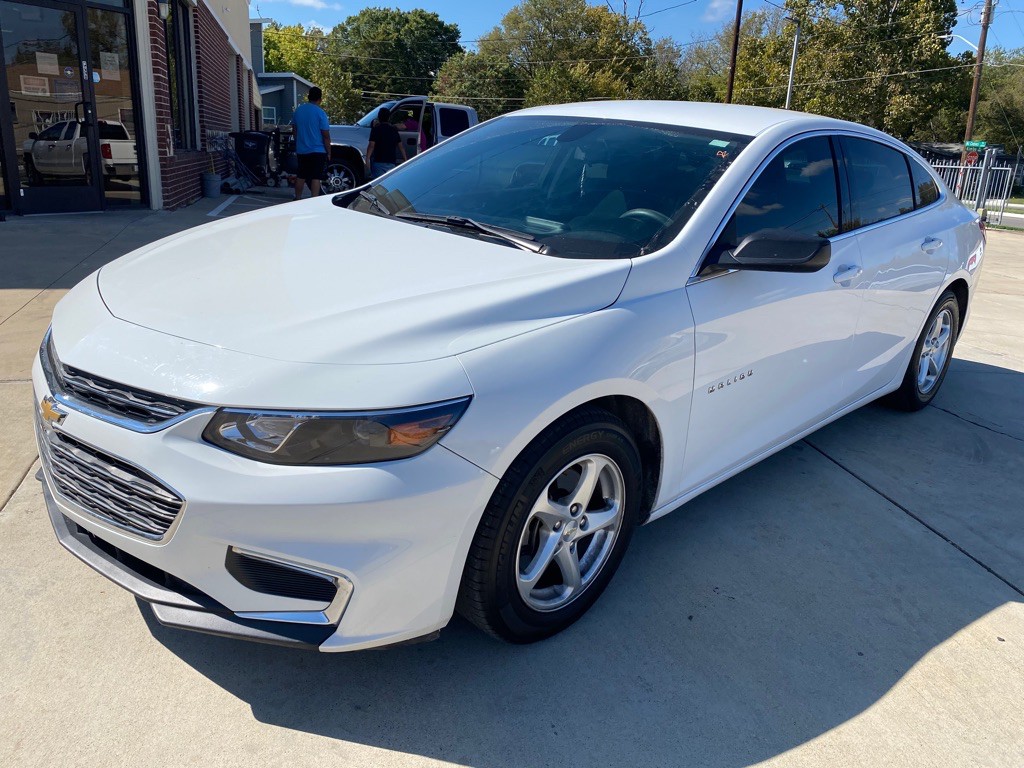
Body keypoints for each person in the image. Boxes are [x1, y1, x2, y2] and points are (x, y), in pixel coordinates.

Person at [291, 86, 330, 200]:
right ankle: (314, 200)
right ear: (320, 99)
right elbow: (326, 135)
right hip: (318, 150)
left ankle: (297, 198)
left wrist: (298, 142)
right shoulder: (321, 113)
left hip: (302, 149)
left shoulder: (298, 111)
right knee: (315, 177)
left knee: (301, 175)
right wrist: (329, 152)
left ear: (308, 97)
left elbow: (294, 129)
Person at [366, 107, 406, 179]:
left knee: (378, 185)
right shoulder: (394, 130)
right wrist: (405, 160)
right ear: (389, 118)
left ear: (379, 117)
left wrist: (367, 158)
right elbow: (401, 147)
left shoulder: (376, 129)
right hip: (391, 162)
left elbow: (371, 146)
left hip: (378, 162)